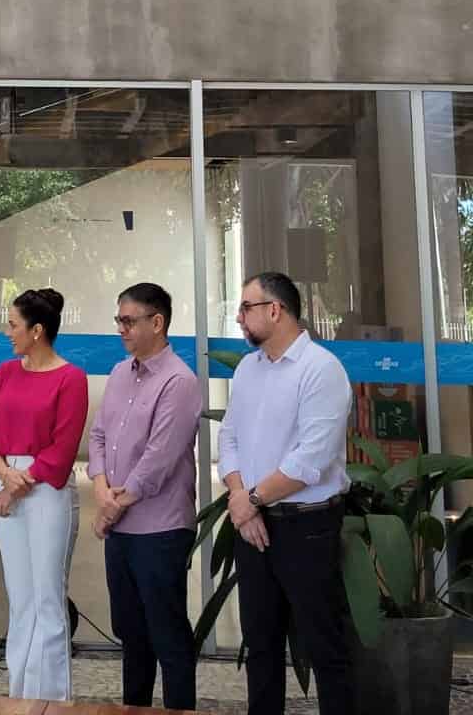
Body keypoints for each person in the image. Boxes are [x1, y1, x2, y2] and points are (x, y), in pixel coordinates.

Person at [217, 271, 353, 715]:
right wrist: (242, 501)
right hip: (252, 525)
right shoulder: (248, 369)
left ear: (275, 310)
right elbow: (229, 438)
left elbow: (311, 460)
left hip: (306, 526)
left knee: (324, 645)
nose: (239, 318)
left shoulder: (321, 369)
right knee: (261, 644)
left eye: (246, 307)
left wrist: (250, 500)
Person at [88, 281, 201, 712]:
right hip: (121, 528)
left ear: (157, 322)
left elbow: (160, 457)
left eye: (129, 321)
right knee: (131, 634)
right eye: (118, 320)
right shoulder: (120, 373)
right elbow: (99, 436)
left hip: (160, 528)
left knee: (167, 635)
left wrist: (112, 506)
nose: (121, 329)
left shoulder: (179, 381)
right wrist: (101, 487)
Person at [0, 288, 87, 700]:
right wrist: (4, 474)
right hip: (8, 483)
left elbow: (62, 450)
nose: (7, 332)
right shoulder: (7, 372)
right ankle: (20, 695)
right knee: (21, 599)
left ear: (37, 330)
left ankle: (52, 699)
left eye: (13, 325)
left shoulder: (70, 378)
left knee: (47, 599)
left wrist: (15, 485)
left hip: (46, 493)